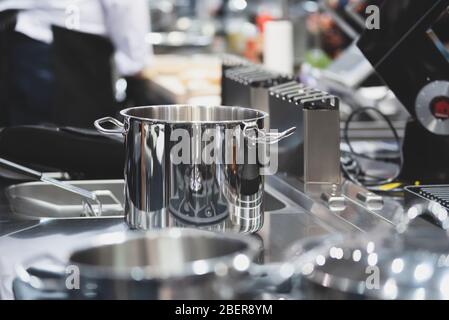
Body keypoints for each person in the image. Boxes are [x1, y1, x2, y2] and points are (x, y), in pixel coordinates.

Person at [0, 0, 153, 127]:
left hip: (18, 36)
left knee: (18, 148)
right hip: (60, 53)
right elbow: (125, 7)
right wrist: (136, 66)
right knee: (68, 151)